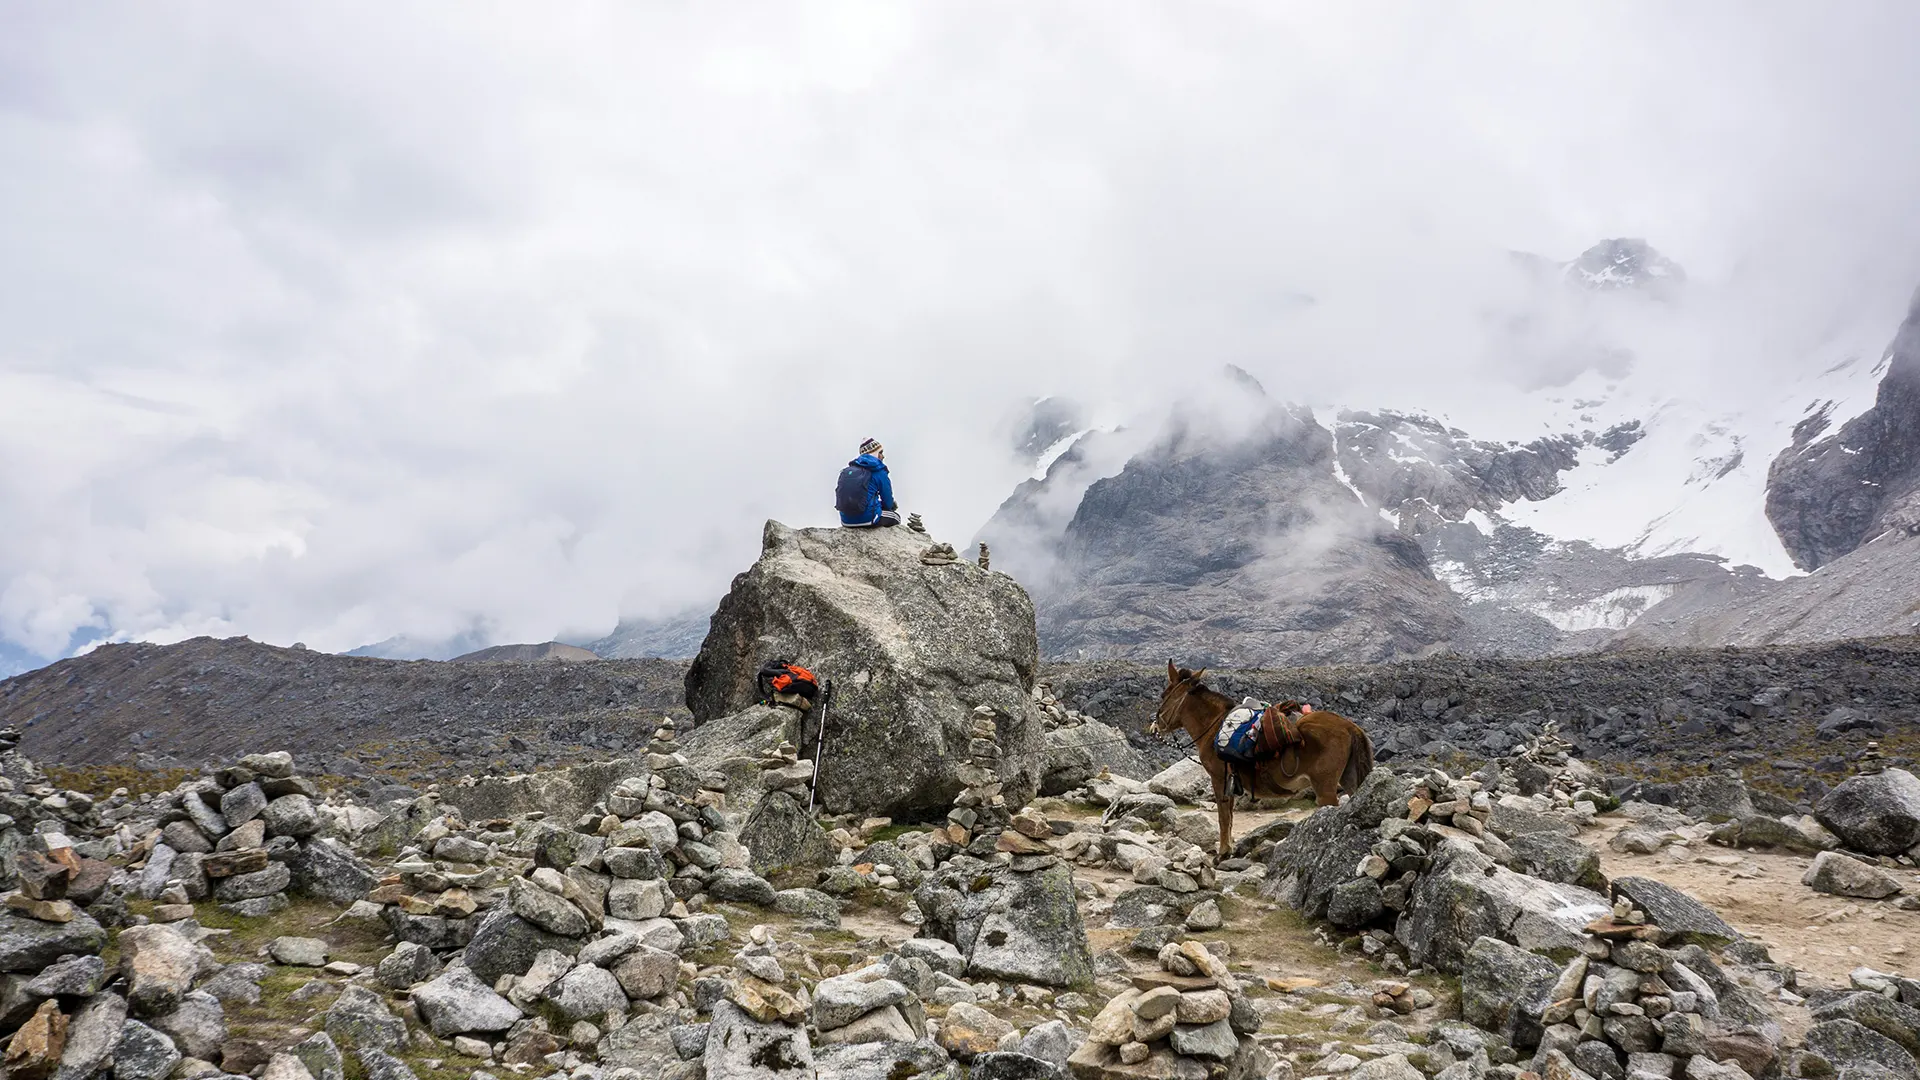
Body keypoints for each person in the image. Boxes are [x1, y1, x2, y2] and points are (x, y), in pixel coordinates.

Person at [836, 438, 900, 527]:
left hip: (845, 521)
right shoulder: (879, 471)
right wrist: (890, 506)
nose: (883, 456)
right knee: (895, 517)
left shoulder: (848, 471)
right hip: (868, 519)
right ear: (874, 453)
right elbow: (887, 501)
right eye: (880, 452)